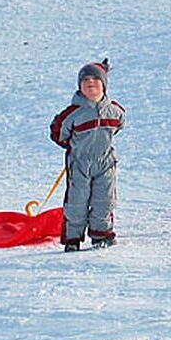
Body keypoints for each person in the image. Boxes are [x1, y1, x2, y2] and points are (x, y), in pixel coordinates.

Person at [50, 59, 125, 251]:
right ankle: (73, 239)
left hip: (105, 162)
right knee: (77, 201)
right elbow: (58, 133)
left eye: (95, 79)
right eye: (85, 80)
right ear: (79, 86)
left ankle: (102, 235)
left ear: (104, 85)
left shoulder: (115, 110)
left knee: (104, 200)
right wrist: (74, 147)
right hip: (80, 164)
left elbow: (119, 125)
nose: (90, 83)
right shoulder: (73, 114)